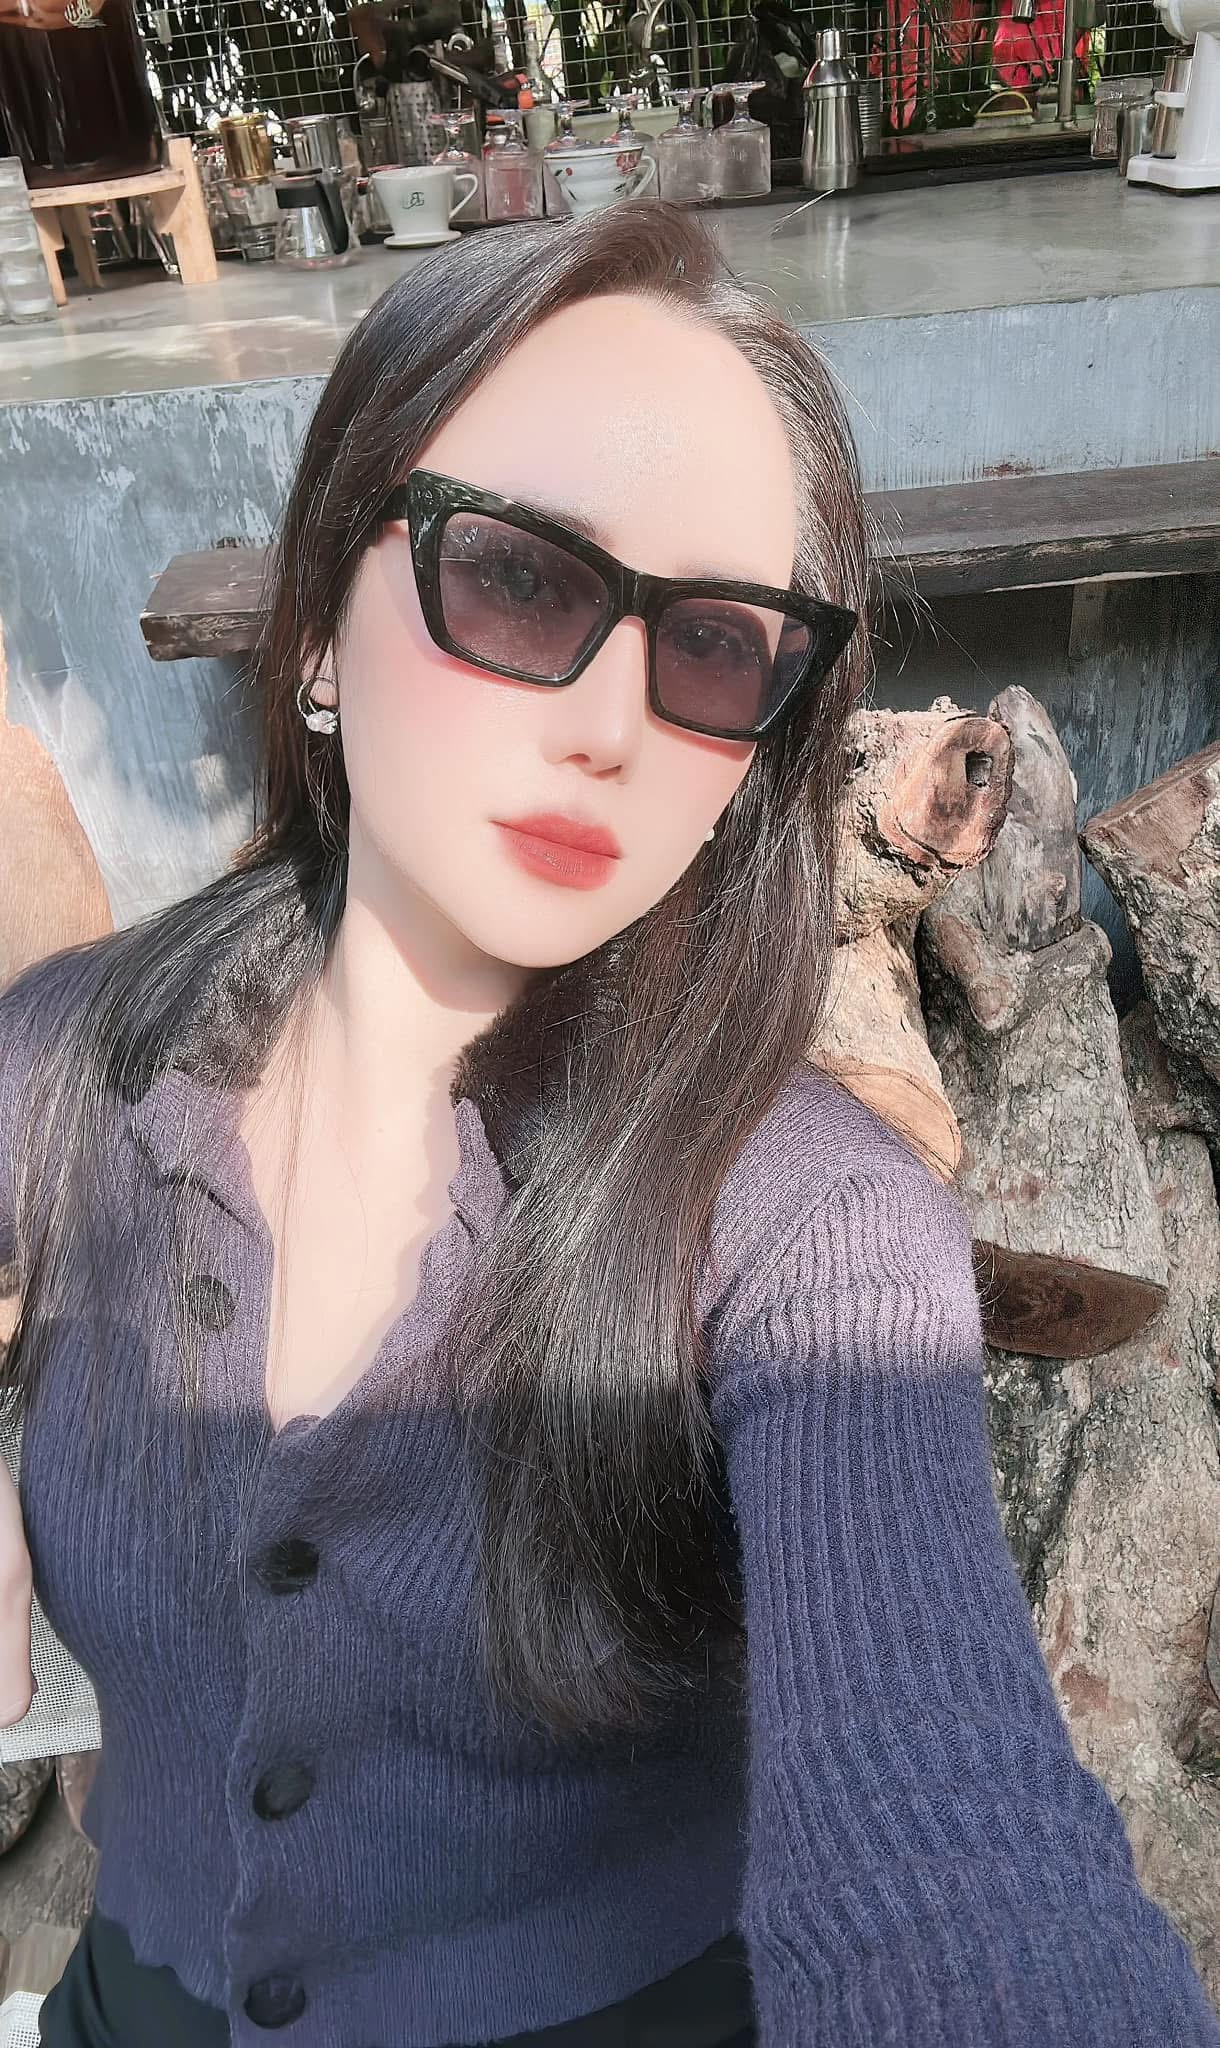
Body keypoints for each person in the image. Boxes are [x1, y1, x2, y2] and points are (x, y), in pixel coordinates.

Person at [0, 200, 1217, 2048]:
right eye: (518, 578)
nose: (613, 725)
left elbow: (956, 1846)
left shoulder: (809, 1225)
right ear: (320, 624)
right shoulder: (76, 1056)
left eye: (714, 645)